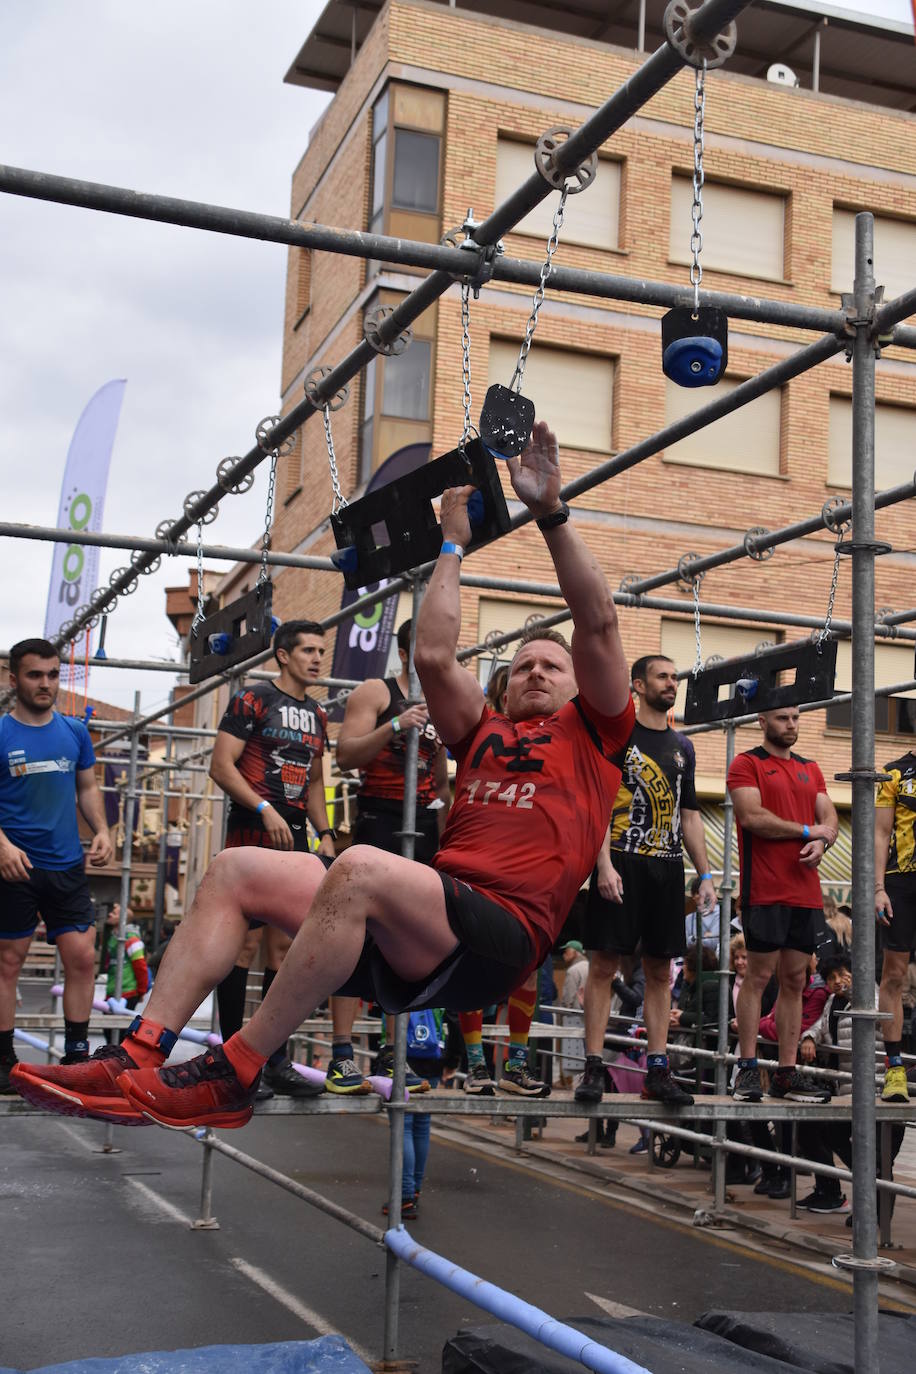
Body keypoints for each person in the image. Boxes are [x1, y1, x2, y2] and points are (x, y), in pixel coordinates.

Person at [12, 420, 636, 1132]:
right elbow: (433, 657)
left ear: (576, 683)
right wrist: (452, 544)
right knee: (235, 870)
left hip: (503, 938)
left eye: (550, 667)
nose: (534, 672)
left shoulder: (595, 731)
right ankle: (139, 1052)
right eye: (523, 664)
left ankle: (236, 1070)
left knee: (361, 867)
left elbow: (598, 623)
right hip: (430, 922)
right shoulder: (485, 732)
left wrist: (549, 512)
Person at [576, 654, 717, 1107]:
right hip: (620, 859)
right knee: (604, 965)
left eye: (675, 677)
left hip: (667, 867)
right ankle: (594, 1066)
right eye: (662, 676)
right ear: (637, 685)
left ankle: (658, 1068)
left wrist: (705, 874)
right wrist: (602, 865)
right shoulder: (616, 737)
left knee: (660, 970)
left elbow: (690, 815)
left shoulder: (683, 747)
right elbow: (596, 802)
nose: (672, 683)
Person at [209, 619, 335, 1101]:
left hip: (297, 837)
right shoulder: (252, 699)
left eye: (321, 651)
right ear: (282, 655)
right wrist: (263, 809)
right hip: (250, 830)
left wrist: (325, 833)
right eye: (307, 650)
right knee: (242, 949)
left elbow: (317, 784)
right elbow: (221, 766)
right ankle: (232, 1062)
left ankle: (274, 1058)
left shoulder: (319, 715)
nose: (317, 659)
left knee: (284, 951)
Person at [333, 617, 450, 1093]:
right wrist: (397, 724)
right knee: (354, 936)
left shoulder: (443, 702)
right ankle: (343, 1053)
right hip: (380, 815)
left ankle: (391, 1050)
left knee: (405, 943)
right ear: (407, 653)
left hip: (423, 823)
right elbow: (345, 754)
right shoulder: (375, 692)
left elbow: (442, 782)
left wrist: (448, 844)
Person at [0, 638, 113, 1091]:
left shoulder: (74, 732)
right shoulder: (2, 733)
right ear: (15, 680)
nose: (45, 683)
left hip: (66, 864)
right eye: (34, 675)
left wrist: (103, 830)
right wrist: (2, 846)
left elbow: (87, 789)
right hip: (15, 865)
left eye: (52, 674)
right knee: (9, 961)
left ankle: (76, 1056)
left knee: (83, 958)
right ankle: (3, 1059)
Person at [728, 706, 838, 1104]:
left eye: (794, 718)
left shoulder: (811, 767)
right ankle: (746, 1070)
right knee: (758, 978)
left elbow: (829, 816)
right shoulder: (747, 763)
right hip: (765, 890)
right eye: (781, 718)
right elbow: (751, 816)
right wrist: (808, 830)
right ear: (762, 720)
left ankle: (787, 1075)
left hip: (805, 892)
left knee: (795, 981)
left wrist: (823, 840)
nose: (790, 725)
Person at [457, 661, 552, 1099]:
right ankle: (476, 1067)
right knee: (474, 967)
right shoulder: (482, 736)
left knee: (527, 971)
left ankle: (514, 1065)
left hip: (532, 874)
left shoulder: (554, 740)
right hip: (480, 866)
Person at [874, 748, 916, 1102]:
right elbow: (879, 832)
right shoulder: (894, 773)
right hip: (901, 881)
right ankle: (895, 1068)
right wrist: (877, 888)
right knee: (893, 975)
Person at [101, 904, 149, 1044]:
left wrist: (141, 991)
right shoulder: (113, 938)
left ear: (123, 919)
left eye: (114, 913)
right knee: (109, 1034)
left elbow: (140, 966)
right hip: (113, 992)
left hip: (127, 993)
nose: (110, 915)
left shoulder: (132, 940)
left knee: (118, 1035)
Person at [558, 940, 588, 1087]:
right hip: (590, 1016)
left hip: (574, 1016)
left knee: (571, 1056)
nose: (564, 954)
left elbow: (568, 998)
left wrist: (564, 1009)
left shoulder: (573, 970)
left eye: (567, 951)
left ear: (576, 952)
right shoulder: (592, 966)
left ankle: (567, 1082)